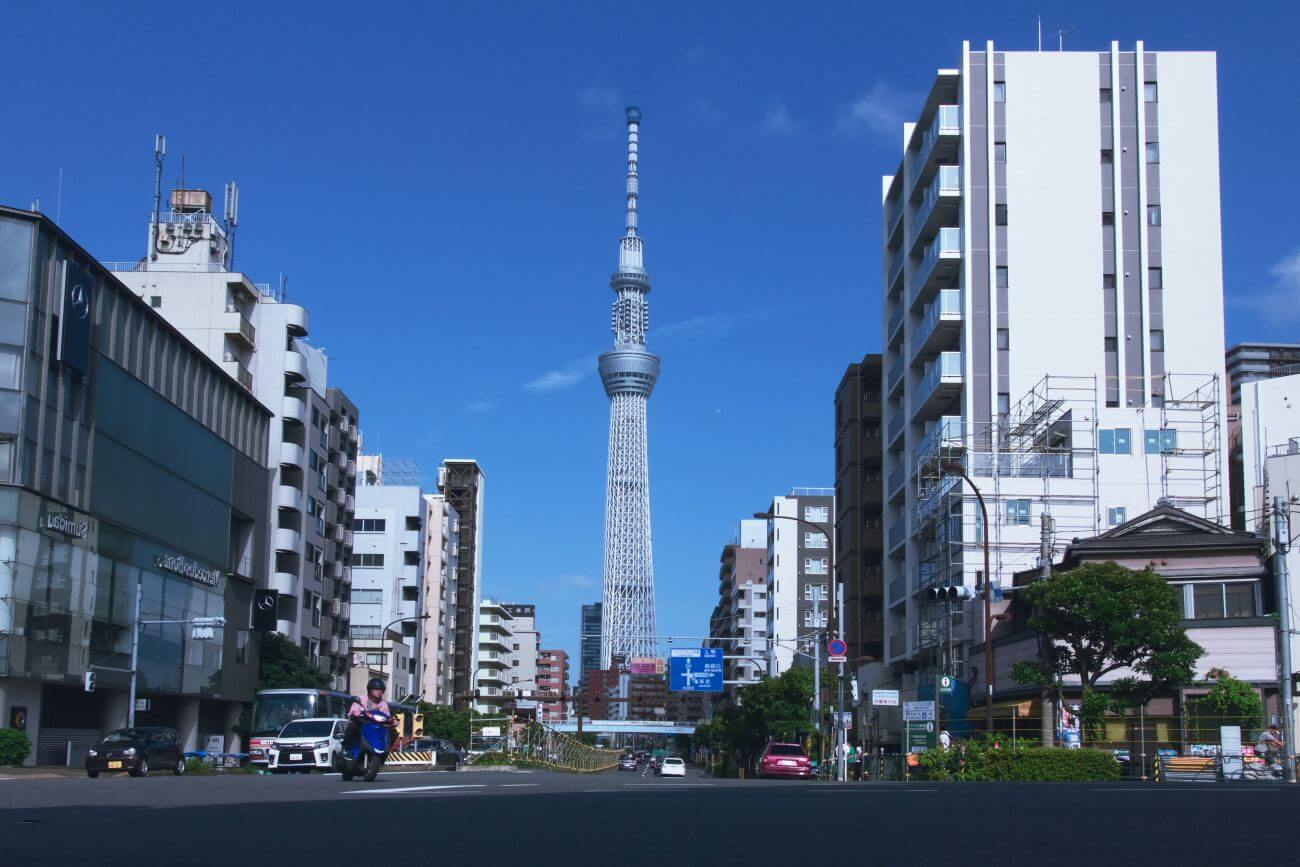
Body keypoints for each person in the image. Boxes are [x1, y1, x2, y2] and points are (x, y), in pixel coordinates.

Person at [344, 678, 394, 751]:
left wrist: (391, 720)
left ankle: (387, 751)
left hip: (375, 728)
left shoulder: (383, 704)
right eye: (376, 689)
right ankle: (346, 748)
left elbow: (386, 716)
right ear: (370, 690)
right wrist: (356, 713)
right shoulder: (361, 699)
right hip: (360, 725)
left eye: (381, 689)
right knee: (352, 726)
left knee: (389, 732)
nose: (379, 691)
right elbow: (353, 711)